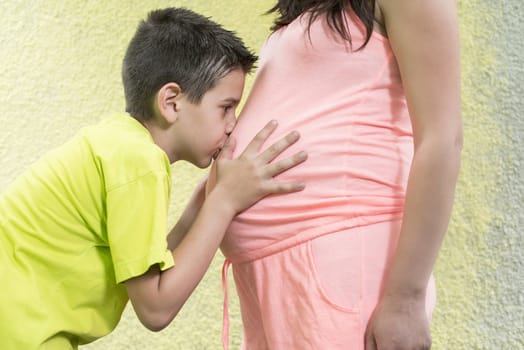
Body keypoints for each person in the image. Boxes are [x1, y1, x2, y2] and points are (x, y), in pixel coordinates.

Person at [0, 7, 308, 349]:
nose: (233, 123)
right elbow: (156, 309)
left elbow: (155, 267)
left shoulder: (121, 145)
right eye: (226, 107)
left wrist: (206, 199)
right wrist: (224, 202)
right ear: (172, 102)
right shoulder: (138, 163)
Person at [214, 0, 462, 349]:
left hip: (343, 260)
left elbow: (443, 137)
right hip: (272, 275)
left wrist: (407, 296)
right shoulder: (308, 9)